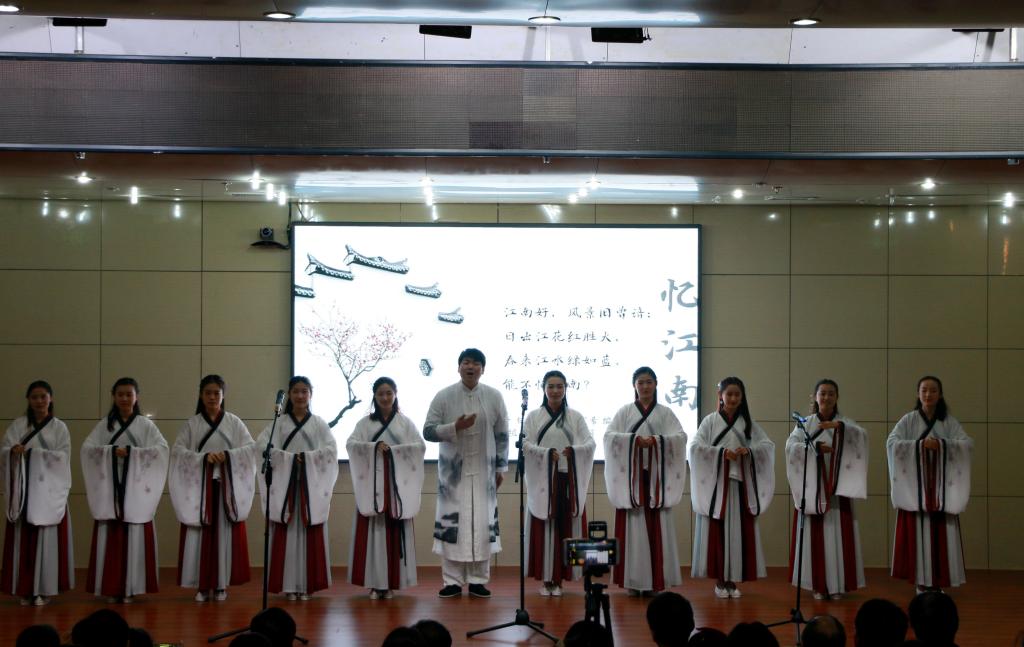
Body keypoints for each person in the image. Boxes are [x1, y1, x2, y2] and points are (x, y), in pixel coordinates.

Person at [423, 348, 509, 599]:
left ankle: (478, 580)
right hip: (453, 475)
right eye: (466, 362)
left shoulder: (494, 396)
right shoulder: (444, 396)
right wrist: (454, 427)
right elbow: (428, 431)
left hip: (484, 472)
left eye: (476, 363)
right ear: (458, 367)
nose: (471, 367)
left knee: (482, 525)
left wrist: (501, 468)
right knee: (453, 527)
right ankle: (451, 581)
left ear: (483, 369)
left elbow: (502, 434)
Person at [168, 374, 257, 602]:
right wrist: (203, 458)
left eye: (216, 393)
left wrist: (227, 456)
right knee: (199, 536)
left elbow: (250, 449)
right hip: (199, 490)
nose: (212, 397)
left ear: (223, 395)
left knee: (223, 537)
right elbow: (178, 451)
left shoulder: (234, 423)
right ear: (201, 395)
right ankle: (201, 585)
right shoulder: (192, 424)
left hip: (226, 488)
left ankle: (220, 585)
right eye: (208, 393)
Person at [81, 377, 168, 602]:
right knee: (111, 535)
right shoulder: (105, 425)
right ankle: (111, 587)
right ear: (113, 396)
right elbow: (87, 449)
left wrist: (132, 453)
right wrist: (110, 452)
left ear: (136, 397)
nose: (125, 398)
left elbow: (161, 449)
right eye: (120, 394)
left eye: (129, 394)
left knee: (135, 533)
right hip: (110, 487)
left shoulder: (145, 425)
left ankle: (131, 587)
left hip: (135, 488)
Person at [604, 366, 687, 595]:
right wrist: (633, 441)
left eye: (649, 382)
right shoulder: (624, 412)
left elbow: (680, 437)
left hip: (657, 480)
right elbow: (609, 437)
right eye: (640, 382)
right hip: (631, 481)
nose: (645, 386)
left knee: (657, 528)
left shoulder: (665, 413)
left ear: (656, 384)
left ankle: (655, 581)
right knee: (632, 528)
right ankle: (633, 581)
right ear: (634, 386)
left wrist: (657, 441)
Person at [689, 377, 774, 599]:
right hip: (716, 488)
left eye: (737, 394)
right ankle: (720, 580)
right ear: (721, 396)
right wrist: (721, 453)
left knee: (737, 534)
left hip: (739, 486)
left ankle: (732, 580)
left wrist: (750, 452)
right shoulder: (709, 421)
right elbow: (694, 447)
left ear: (742, 397)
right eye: (729, 394)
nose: (733, 398)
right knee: (718, 533)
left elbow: (767, 446)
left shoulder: (748, 423)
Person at [887, 376, 972, 593]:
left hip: (942, 489)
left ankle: (939, 580)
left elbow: (966, 444)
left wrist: (941, 445)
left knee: (941, 534)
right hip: (916, 489)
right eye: (924, 390)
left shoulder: (949, 422)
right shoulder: (908, 420)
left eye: (933, 390)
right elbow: (892, 443)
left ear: (940, 395)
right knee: (918, 533)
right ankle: (921, 581)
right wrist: (919, 446)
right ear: (918, 394)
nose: (928, 394)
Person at [257, 376, 338, 601]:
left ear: (311, 394)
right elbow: (262, 446)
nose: (300, 396)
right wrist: (290, 460)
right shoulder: (279, 423)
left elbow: (331, 450)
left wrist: (306, 459)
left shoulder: (319, 424)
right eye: (296, 391)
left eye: (304, 391)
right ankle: (288, 586)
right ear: (289, 395)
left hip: (311, 488)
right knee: (287, 536)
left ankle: (307, 586)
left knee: (309, 535)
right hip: (286, 488)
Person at [785, 379, 867, 600]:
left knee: (838, 535)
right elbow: (791, 447)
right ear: (815, 397)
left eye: (831, 393)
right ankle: (818, 585)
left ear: (837, 397)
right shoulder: (805, 423)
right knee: (815, 536)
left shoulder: (845, 422)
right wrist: (815, 449)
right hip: (813, 487)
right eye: (822, 393)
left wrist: (840, 430)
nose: (826, 398)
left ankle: (837, 584)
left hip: (837, 488)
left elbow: (861, 437)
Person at [347, 377, 426, 599]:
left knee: (394, 531)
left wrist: (394, 452)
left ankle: (392, 581)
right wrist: (374, 447)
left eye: (389, 393)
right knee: (373, 535)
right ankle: (375, 583)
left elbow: (419, 447)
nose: (385, 397)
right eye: (380, 393)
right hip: (372, 487)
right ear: (374, 396)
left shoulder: (405, 423)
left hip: (396, 487)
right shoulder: (365, 424)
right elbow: (351, 444)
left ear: (395, 394)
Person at [1, 380, 74, 606]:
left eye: (43, 396)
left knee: (47, 540)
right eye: (34, 397)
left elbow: (63, 457)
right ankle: (24, 589)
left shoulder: (59, 428)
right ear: (28, 400)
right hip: (24, 492)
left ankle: (45, 588)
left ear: (50, 399)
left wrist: (34, 454)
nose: (39, 401)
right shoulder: (18, 425)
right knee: (24, 541)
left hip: (48, 492)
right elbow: (4, 450)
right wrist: (13, 452)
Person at [523, 370, 595, 596]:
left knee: (566, 527)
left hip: (568, 478)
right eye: (551, 386)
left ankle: (561, 580)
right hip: (543, 480)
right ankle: (547, 580)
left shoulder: (575, 417)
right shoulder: (533, 416)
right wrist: (546, 454)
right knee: (546, 527)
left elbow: (590, 443)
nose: (555, 391)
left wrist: (574, 451)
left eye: (559, 386)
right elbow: (525, 444)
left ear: (565, 389)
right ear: (544, 389)